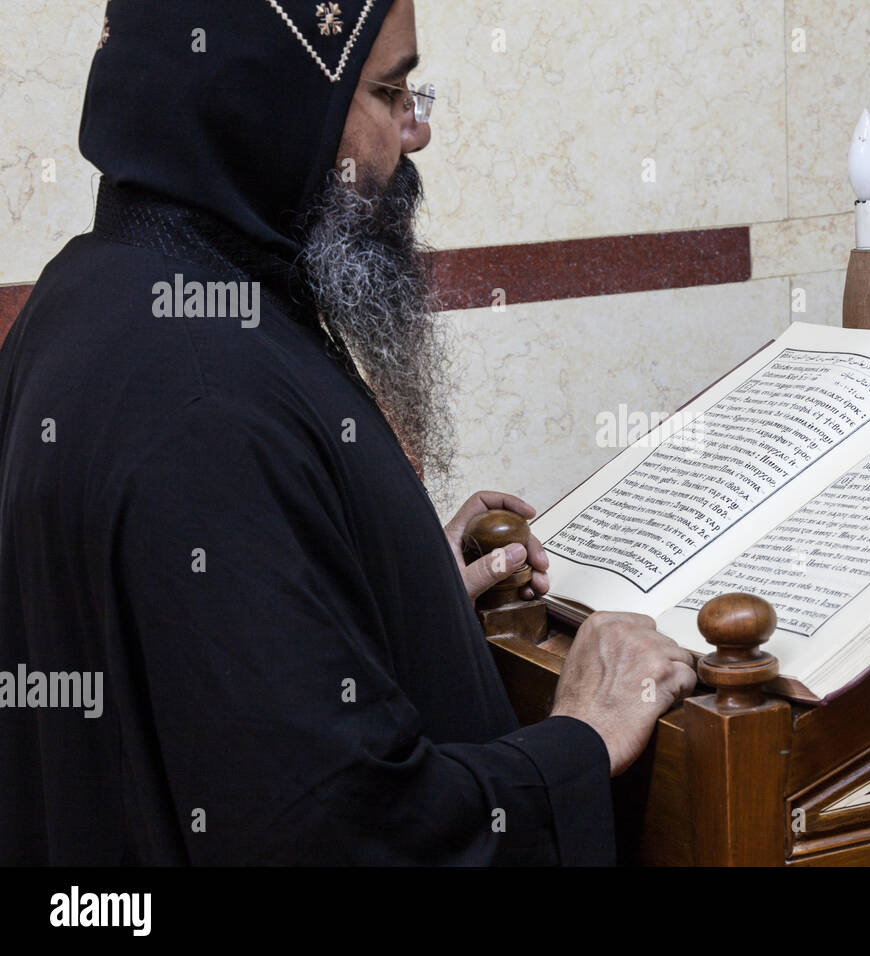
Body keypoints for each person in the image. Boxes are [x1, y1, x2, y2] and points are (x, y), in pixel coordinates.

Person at [0, 0, 696, 865]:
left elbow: (206, 673)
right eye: (391, 91)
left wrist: (381, 591)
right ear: (270, 103)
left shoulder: (87, 295)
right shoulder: (207, 401)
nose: (416, 132)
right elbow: (336, 829)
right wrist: (581, 741)